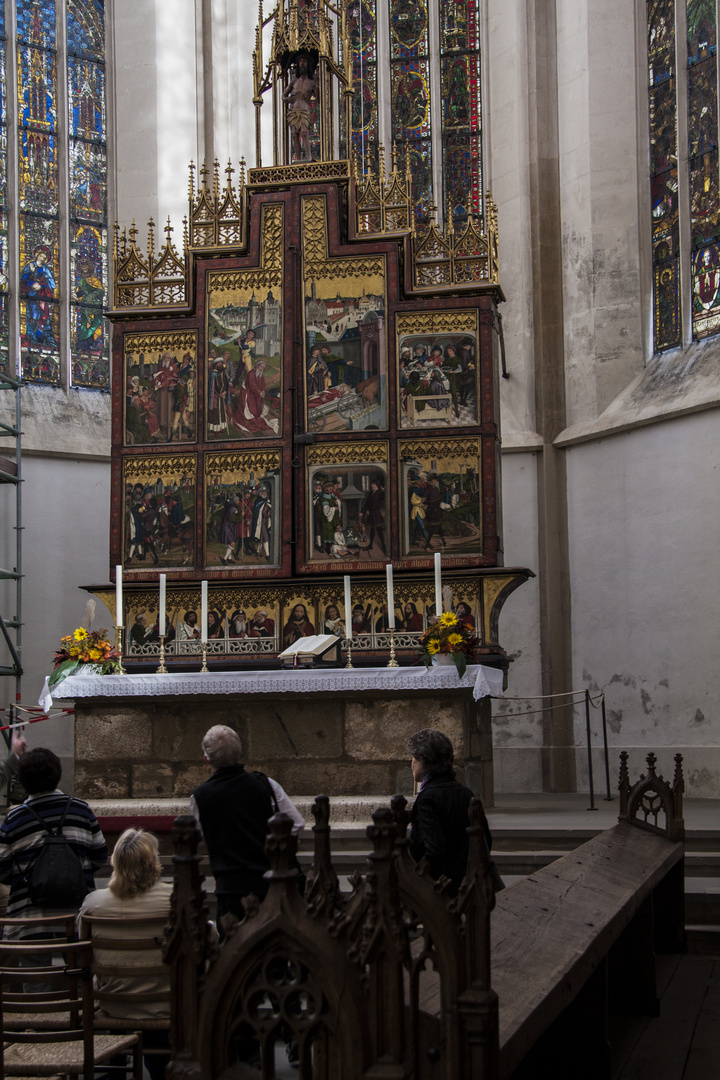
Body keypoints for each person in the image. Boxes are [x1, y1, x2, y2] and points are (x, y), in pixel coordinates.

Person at [78, 829, 173, 1080]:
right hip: (163, 1002)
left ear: (115, 862)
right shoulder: (175, 900)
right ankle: (161, 1069)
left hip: (113, 1002)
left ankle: (117, 1066)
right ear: (154, 862)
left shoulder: (93, 904)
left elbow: (82, 951)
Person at [190, 726, 305, 926]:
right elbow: (296, 824)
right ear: (239, 752)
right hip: (274, 881)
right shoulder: (266, 785)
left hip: (231, 887)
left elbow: (200, 835)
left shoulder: (199, 797)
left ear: (206, 759)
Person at [0, 748, 107, 935]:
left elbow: (2, 870)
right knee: (79, 962)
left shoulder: (15, 818)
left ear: (23, 781)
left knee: (33, 963)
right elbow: (99, 856)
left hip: (28, 920)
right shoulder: (81, 810)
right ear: (57, 774)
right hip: (77, 919)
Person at [407, 729, 491, 897]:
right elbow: (486, 839)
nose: (412, 763)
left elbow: (434, 850)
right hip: (466, 883)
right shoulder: (465, 793)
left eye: (413, 758)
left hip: (441, 888)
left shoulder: (427, 799)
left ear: (423, 760)